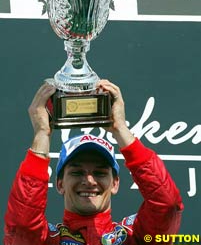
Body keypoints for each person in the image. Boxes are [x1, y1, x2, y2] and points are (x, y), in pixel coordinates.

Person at [4, 79, 184, 245]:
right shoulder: (47, 240)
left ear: (115, 183)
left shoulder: (134, 237)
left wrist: (120, 129)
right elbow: (22, 225)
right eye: (77, 172)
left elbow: (167, 206)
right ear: (59, 184)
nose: (89, 181)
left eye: (99, 173)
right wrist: (42, 133)